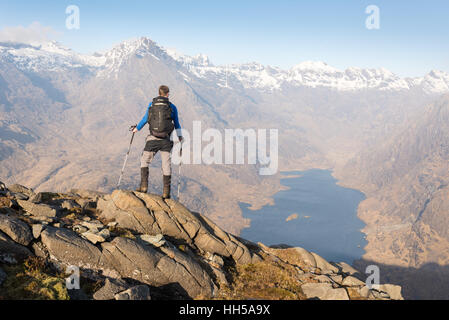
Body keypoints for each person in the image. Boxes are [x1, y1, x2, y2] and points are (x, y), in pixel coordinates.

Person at [133, 85, 183, 199]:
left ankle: (144, 186)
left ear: (159, 93)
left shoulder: (152, 105)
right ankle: (166, 193)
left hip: (153, 138)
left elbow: (145, 119)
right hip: (166, 139)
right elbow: (177, 123)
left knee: (144, 161)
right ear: (167, 94)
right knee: (166, 164)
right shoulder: (172, 107)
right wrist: (180, 137)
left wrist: (137, 129)